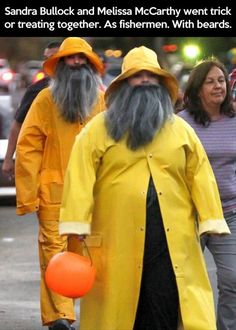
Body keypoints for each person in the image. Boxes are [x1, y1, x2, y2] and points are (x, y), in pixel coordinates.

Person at [59, 46, 230, 330]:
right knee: (123, 311)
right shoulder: (97, 130)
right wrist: (76, 220)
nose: (144, 82)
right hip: (117, 240)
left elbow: (200, 173)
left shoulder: (180, 129)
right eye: (137, 76)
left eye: (151, 76)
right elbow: (80, 175)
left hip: (169, 240)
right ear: (124, 84)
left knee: (164, 306)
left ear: (161, 84)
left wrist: (211, 217)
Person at [15, 37, 105, 330]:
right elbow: (28, 147)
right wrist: (29, 195)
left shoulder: (101, 100)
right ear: (61, 64)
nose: (76, 63)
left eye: (81, 58)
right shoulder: (44, 100)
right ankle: (60, 318)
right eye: (69, 58)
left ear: (91, 64)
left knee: (89, 255)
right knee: (54, 255)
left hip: (92, 194)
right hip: (53, 194)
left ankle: (90, 314)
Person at [178, 58, 236, 330]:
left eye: (221, 80)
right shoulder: (180, 123)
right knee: (183, 282)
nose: (218, 86)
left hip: (229, 214)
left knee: (233, 281)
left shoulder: (234, 119)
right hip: (189, 216)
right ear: (197, 88)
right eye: (210, 81)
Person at [2, 41, 61, 179]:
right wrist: (8, 158)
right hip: (44, 162)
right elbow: (17, 125)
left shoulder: (84, 89)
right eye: (46, 58)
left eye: (54, 57)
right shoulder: (36, 90)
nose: (47, 62)